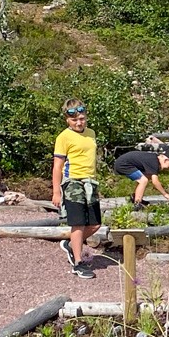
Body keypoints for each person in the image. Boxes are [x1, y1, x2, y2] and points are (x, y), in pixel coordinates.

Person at [51, 99, 101, 279]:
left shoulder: (91, 133)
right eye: (75, 120)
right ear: (67, 120)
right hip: (73, 182)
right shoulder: (63, 137)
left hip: (90, 182)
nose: (79, 122)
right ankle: (78, 263)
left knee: (95, 224)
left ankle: (72, 244)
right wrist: (56, 191)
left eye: (82, 118)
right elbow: (57, 166)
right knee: (78, 223)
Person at [115, 146, 169, 210]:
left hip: (124, 162)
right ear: (166, 160)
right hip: (123, 164)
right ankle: (137, 203)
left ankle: (135, 197)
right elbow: (155, 182)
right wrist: (165, 194)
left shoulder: (154, 159)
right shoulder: (154, 162)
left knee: (146, 177)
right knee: (143, 180)